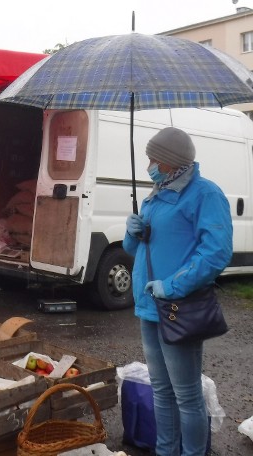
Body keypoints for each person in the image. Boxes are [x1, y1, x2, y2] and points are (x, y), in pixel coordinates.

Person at [123, 127, 232, 456]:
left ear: (171, 162)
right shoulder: (155, 194)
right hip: (148, 306)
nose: (150, 165)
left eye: (154, 159)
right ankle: (165, 451)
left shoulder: (205, 194)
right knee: (161, 390)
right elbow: (137, 249)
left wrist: (171, 286)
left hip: (178, 307)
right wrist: (133, 233)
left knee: (186, 395)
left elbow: (215, 253)